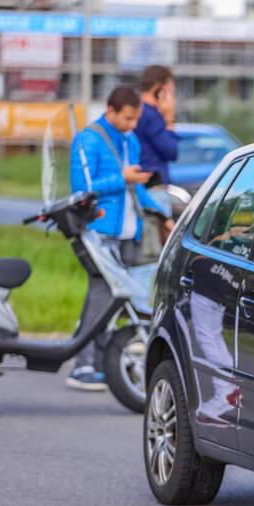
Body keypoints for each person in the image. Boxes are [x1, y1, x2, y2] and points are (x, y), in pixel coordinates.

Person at [66, 85, 172, 391]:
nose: (132, 125)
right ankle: (83, 364)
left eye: (136, 118)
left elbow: (135, 190)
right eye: (128, 118)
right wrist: (121, 178)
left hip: (127, 233)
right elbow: (83, 188)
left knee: (112, 302)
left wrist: (162, 215)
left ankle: (98, 362)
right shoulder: (89, 139)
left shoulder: (130, 140)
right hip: (99, 233)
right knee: (101, 297)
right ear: (111, 110)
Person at [135, 64, 180, 222]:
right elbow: (171, 151)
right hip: (153, 188)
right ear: (160, 89)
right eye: (170, 91)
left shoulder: (137, 110)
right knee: (156, 244)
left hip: (141, 186)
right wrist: (169, 118)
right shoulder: (152, 115)